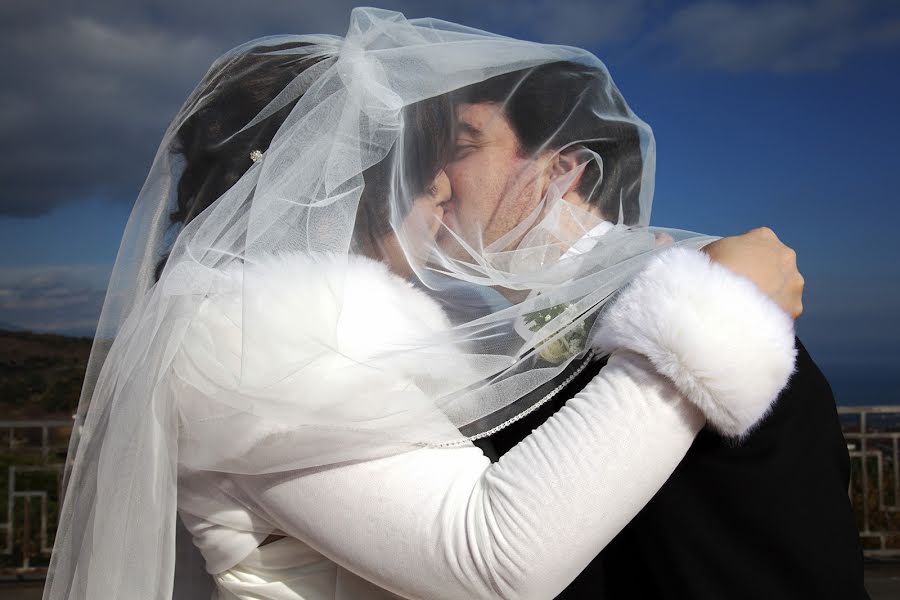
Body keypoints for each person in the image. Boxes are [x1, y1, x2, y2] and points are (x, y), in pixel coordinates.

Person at [43, 9, 801, 600]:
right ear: (334, 181)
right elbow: (494, 561)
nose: (440, 189)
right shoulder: (250, 339)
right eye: (417, 164)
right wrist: (714, 311)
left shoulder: (290, 328)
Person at [449, 51, 869, 600]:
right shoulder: (516, 331)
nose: (433, 181)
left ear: (562, 168)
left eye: (461, 147)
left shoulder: (708, 305)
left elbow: (778, 550)